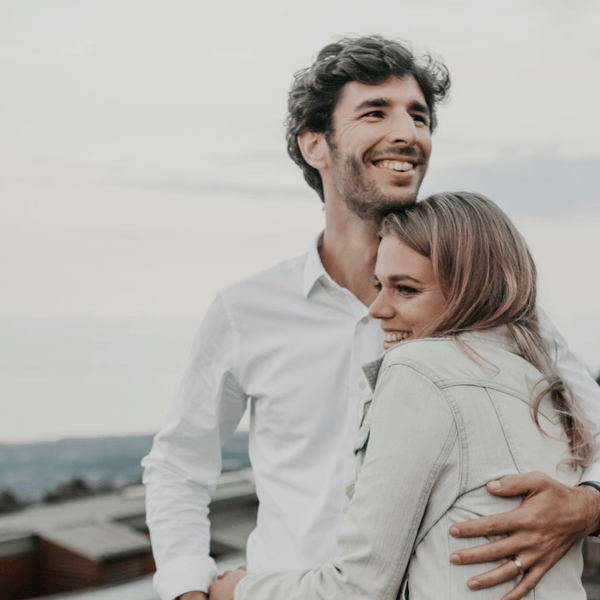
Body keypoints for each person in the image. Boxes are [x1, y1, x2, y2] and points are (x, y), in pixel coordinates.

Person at [142, 35, 600, 600]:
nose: (408, 134)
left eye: (420, 116)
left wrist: (587, 505)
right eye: (375, 112)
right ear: (315, 145)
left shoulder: (491, 301)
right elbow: (179, 467)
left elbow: (593, 423)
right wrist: (188, 589)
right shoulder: (245, 311)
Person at [207, 192, 594, 600]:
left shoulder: (419, 369)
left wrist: (238, 590)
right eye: (380, 285)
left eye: (405, 290)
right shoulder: (545, 383)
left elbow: (358, 588)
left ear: (471, 290)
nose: (376, 309)